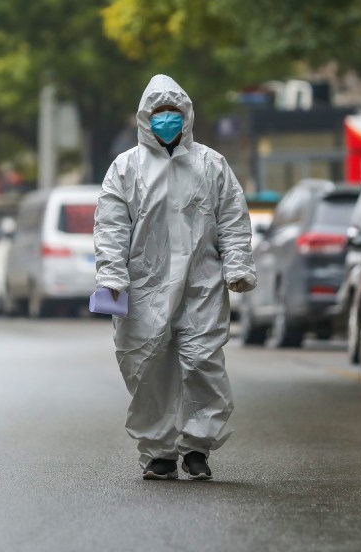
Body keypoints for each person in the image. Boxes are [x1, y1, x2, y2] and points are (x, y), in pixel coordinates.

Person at [94, 74, 256, 481]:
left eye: (174, 113)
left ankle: (197, 447)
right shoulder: (126, 168)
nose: (167, 120)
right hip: (145, 286)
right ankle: (160, 451)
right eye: (159, 113)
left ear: (186, 116)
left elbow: (232, 220)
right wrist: (112, 275)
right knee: (148, 367)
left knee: (202, 362)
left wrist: (236, 266)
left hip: (201, 284)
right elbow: (111, 226)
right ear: (145, 118)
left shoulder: (211, 164)